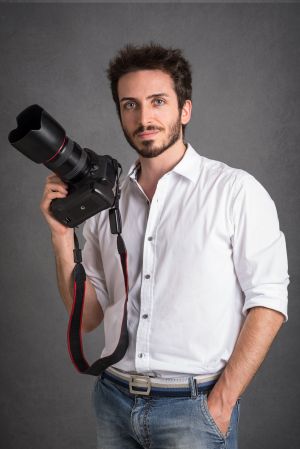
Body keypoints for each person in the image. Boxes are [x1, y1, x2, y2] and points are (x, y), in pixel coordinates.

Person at [40, 43, 289, 449]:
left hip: (195, 410)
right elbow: (86, 318)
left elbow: (269, 302)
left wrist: (222, 403)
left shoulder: (235, 191)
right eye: (130, 105)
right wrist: (60, 235)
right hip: (113, 400)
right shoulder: (106, 202)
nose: (144, 117)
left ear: (184, 109)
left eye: (158, 101)